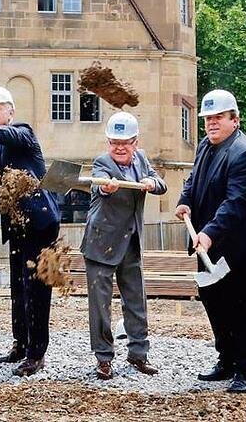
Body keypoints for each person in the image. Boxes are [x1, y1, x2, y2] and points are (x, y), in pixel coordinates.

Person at [175, 89, 246, 393]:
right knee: (213, 298)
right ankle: (226, 359)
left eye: (218, 117)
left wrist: (208, 234)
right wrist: (185, 201)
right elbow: (193, 180)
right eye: (207, 118)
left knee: (243, 303)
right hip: (214, 240)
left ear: (235, 120)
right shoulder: (205, 146)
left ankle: (245, 369)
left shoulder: (245, 153)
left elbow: (236, 203)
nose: (211, 123)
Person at [0, 86, 60, 377]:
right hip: (16, 224)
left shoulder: (23, 133)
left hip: (41, 222)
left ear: (11, 111)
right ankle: (20, 344)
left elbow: (11, 136)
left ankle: (37, 353)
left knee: (37, 289)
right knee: (19, 288)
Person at [81, 111, 166, 380]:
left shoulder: (142, 160)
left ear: (135, 143)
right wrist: (106, 187)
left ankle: (138, 354)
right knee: (101, 305)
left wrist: (152, 182)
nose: (119, 148)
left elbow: (161, 183)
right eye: (114, 142)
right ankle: (104, 358)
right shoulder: (102, 163)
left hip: (131, 242)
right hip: (102, 243)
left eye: (124, 143)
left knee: (136, 301)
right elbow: (98, 186)